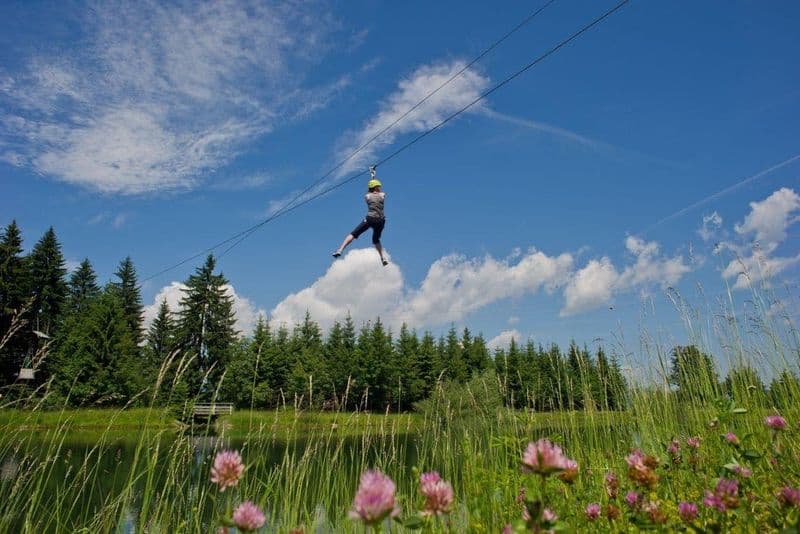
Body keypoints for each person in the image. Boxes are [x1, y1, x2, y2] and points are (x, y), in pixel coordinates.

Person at [332, 174, 388, 266]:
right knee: (376, 240)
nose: (380, 188)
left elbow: (370, 192)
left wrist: (372, 182)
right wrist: (373, 178)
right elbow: (378, 191)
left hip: (370, 219)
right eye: (379, 186)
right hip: (380, 221)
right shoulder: (383, 195)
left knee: (353, 234)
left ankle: (340, 249)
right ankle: (383, 257)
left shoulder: (367, 196)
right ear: (377, 187)